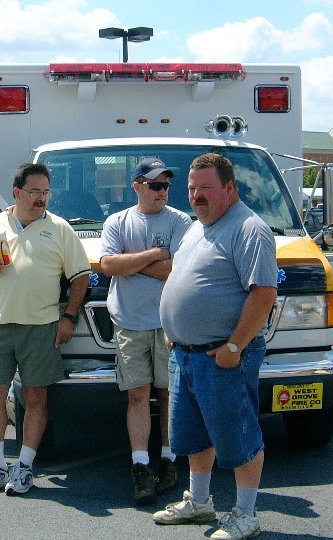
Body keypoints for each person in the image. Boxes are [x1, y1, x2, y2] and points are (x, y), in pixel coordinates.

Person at [154, 153, 277, 540]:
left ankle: (245, 514)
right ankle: (200, 502)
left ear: (230, 188)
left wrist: (236, 347)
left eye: (206, 188)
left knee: (238, 436)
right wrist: (175, 328)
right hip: (187, 355)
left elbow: (264, 293)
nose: (196, 195)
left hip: (223, 356)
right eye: (192, 188)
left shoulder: (248, 229)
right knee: (193, 434)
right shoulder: (196, 228)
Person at [0, 163, 91, 496]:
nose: (42, 199)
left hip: (41, 327)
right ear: (17, 192)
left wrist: (69, 317)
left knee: (36, 398)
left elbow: (81, 276)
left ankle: (23, 467)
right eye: (35, 192)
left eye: (46, 192)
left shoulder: (60, 228)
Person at [100, 157, 192, 505]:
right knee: (137, 394)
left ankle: (169, 460)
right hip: (129, 321)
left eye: (166, 185)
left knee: (170, 394)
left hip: (171, 323)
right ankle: (140, 466)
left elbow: (179, 269)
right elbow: (108, 264)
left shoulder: (181, 220)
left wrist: (131, 264)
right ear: (137, 186)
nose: (162, 191)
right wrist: (154, 254)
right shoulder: (117, 221)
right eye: (155, 185)